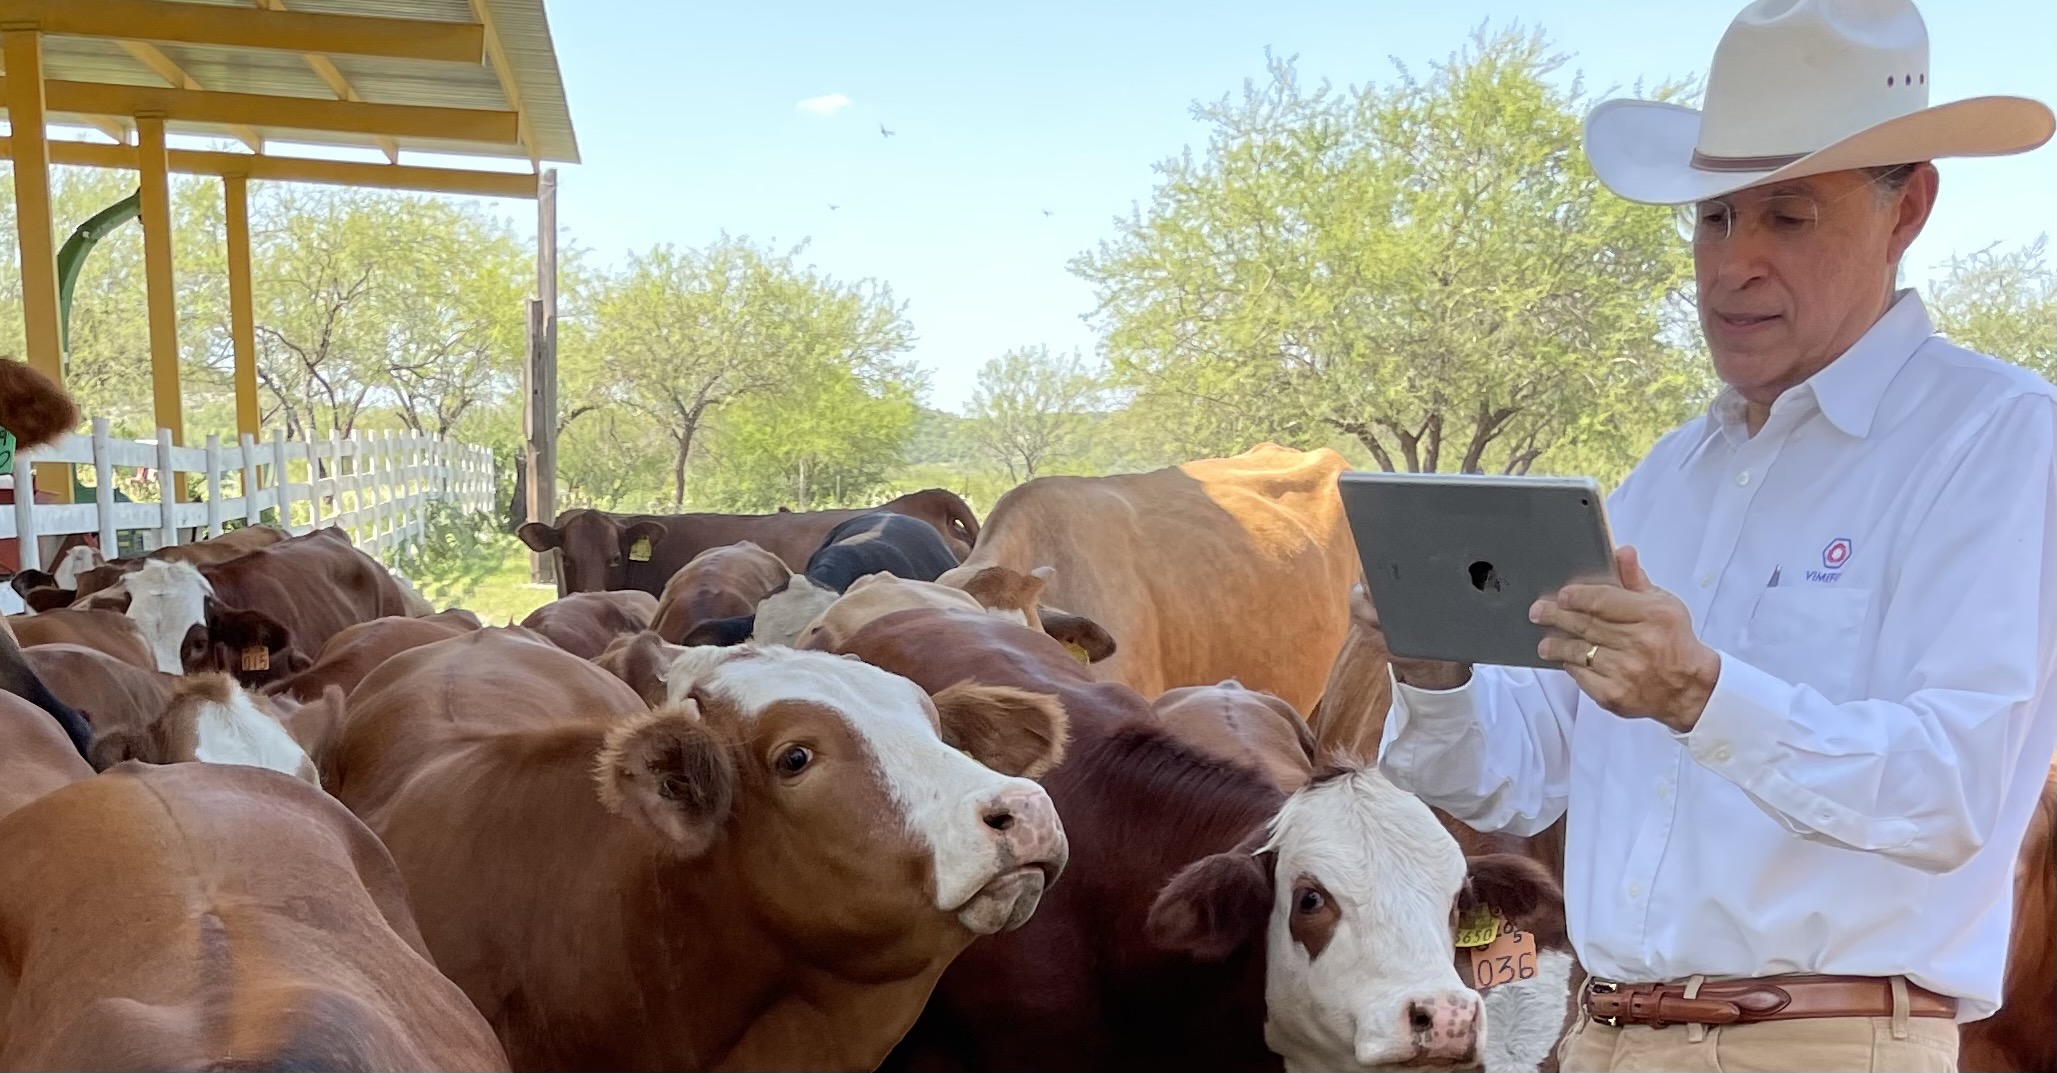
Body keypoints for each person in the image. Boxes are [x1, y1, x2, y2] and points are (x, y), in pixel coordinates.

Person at [1366, 2, 2057, 1071]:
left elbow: (1950, 789)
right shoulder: (1668, 474)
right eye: (1712, 217)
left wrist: (1698, 692)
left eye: (1785, 216)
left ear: (1905, 207)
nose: (1730, 264)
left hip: (1824, 1042)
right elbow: (1519, 773)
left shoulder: (1998, 438)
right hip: (1598, 1037)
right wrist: (1433, 665)